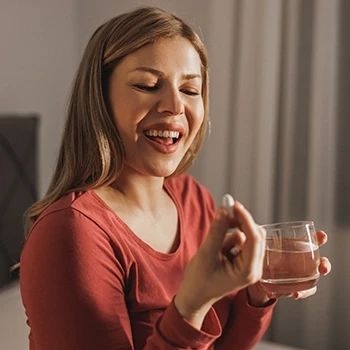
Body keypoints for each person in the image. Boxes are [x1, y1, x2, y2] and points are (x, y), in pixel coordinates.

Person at [19, 6, 331, 350]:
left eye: (190, 90)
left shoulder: (193, 199)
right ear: (100, 98)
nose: (175, 106)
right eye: (148, 85)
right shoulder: (71, 232)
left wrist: (257, 293)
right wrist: (192, 305)